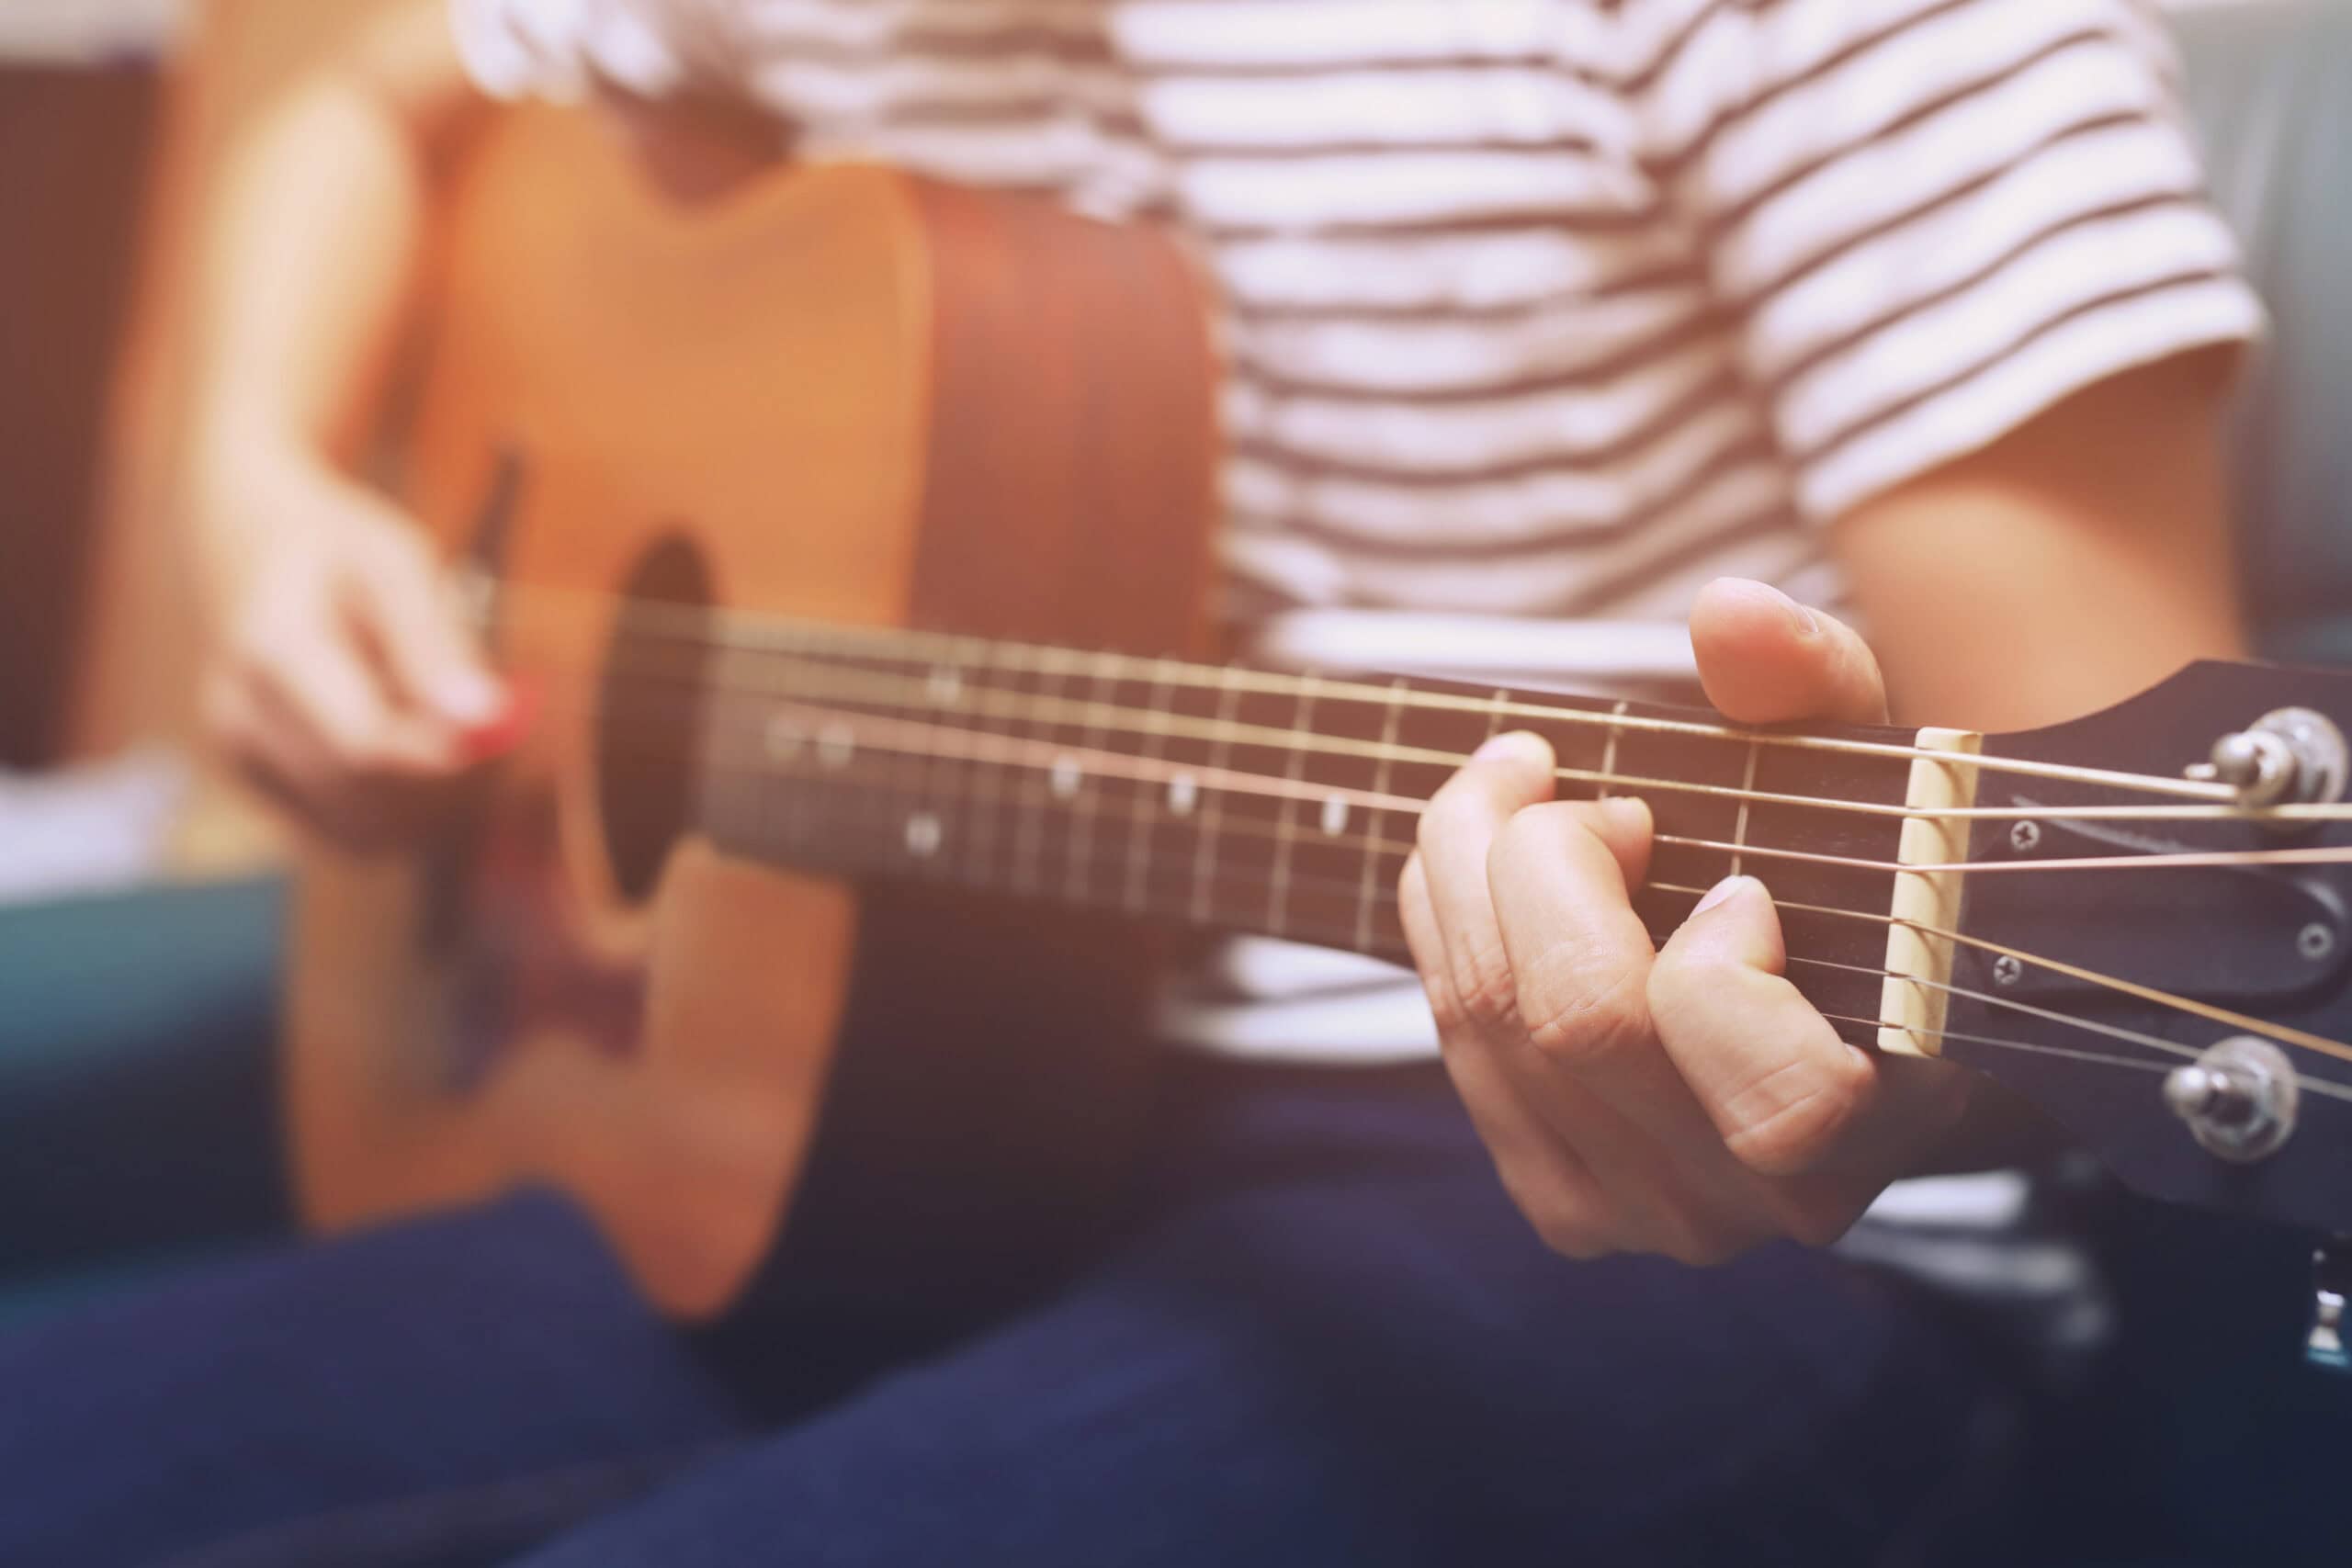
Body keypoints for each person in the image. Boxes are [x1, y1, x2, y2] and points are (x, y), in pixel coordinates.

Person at [0, 1, 2263, 1562]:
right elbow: (372, 97)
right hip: (902, 1123)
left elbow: (2146, 918)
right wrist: (257, 491)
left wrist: (1877, 1084)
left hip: (1623, 1220)